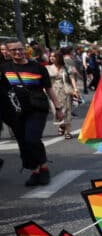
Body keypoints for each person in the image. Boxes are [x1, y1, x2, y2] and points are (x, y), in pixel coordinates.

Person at [1, 39, 61, 185]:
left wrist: (58, 107)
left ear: (25, 49)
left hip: (37, 109)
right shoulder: (3, 68)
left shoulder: (37, 67)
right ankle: (35, 171)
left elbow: (49, 88)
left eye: (20, 49)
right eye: (13, 50)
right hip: (14, 112)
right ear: (8, 52)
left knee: (32, 139)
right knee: (23, 143)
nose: (17, 52)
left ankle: (44, 169)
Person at [47, 49, 81, 139]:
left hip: (65, 91)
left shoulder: (66, 67)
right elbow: (45, 81)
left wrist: (75, 89)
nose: (51, 58)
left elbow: (72, 78)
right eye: (50, 56)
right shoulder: (48, 68)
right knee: (56, 111)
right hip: (53, 92)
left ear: (59, 58)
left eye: (54, 56)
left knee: (67, 111)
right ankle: (62, 125)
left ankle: (68, 132)